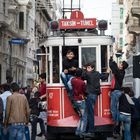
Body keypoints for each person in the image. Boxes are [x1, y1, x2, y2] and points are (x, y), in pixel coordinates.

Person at [82, 62, 109, 137]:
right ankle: (87, 130)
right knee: (89, 112)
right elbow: (104, 77)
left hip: (90, 95)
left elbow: (82, 76)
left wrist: (84, 70)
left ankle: (91, 131)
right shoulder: (97, 73)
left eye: (89, 67)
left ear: (92, 68)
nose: (88, 69)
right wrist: (107, 72)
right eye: (87, 67)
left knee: (90, 113)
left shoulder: (87, 74)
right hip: (94, 95)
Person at [109, 56, 128, 136]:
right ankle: (117, 124)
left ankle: (115, 122)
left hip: (116, 92)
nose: (119, 64)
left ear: (122, 66)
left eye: (121, 64)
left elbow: (112, 66)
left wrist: (111, 60)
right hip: (118, 91)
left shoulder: (119, 72)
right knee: (116, 108)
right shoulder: (121, 72)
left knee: (113, 108)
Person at [71, 68, 87, 138]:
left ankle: (78, 131)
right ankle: (82, 132)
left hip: (75, 100)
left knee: (81, 117)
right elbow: (85, 91)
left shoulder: (73, 80)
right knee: (84, 117)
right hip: (81, 100)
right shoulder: (82, 82)